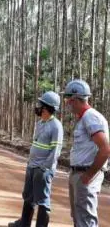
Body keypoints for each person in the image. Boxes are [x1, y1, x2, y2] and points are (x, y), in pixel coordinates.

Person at [8, 91, 64, 227]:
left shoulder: (56, 126)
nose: (37, 107)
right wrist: (30, 164)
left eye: (40, 105)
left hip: (43, 169)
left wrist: (45, 168)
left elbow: (55, 151)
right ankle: (24, 223)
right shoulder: (40, 123)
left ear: (46, 108)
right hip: (32, 166)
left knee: (43, 200)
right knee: (28, 196)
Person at [63, 79, 110, 227]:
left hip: (86, 174)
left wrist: (89, 175)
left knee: (85, 220)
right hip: (78, 173)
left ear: (76, 99)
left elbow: (105, 149)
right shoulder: (84, 118)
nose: (67, 103)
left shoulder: (90, 117)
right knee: (79, 217)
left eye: (68, 99)